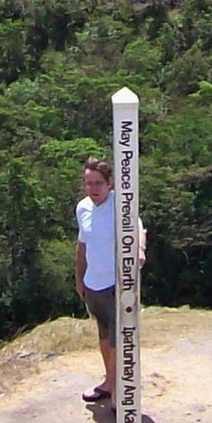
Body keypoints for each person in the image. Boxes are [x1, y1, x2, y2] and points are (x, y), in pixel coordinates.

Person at [75, 155, 143, 403]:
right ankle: (109, 382)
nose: (93, 188)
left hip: (117, 284)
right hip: (94, 284)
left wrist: (140, 250)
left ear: (109, 183)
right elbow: (82, 245)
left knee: (119, 339)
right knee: (104, 335)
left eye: (98, 183)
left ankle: (119, 390)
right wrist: (79, 278)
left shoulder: (120, 204)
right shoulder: (83, 208)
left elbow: (138, 228)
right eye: (88, 183)